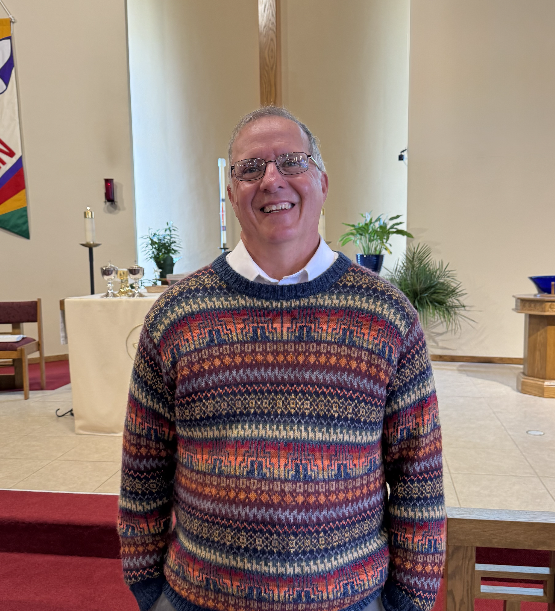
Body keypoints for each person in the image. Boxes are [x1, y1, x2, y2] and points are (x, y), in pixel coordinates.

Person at [118, 106, 446, 611]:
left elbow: (417, 474)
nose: (272, 180)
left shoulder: (385, 315)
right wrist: (147, 588)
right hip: (200, 600)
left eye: (292, 162)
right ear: (231, 193)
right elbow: (144, 468)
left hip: (349, 601)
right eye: (250, 168)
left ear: (322, 181)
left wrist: (409, 601)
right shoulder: (179, 315)